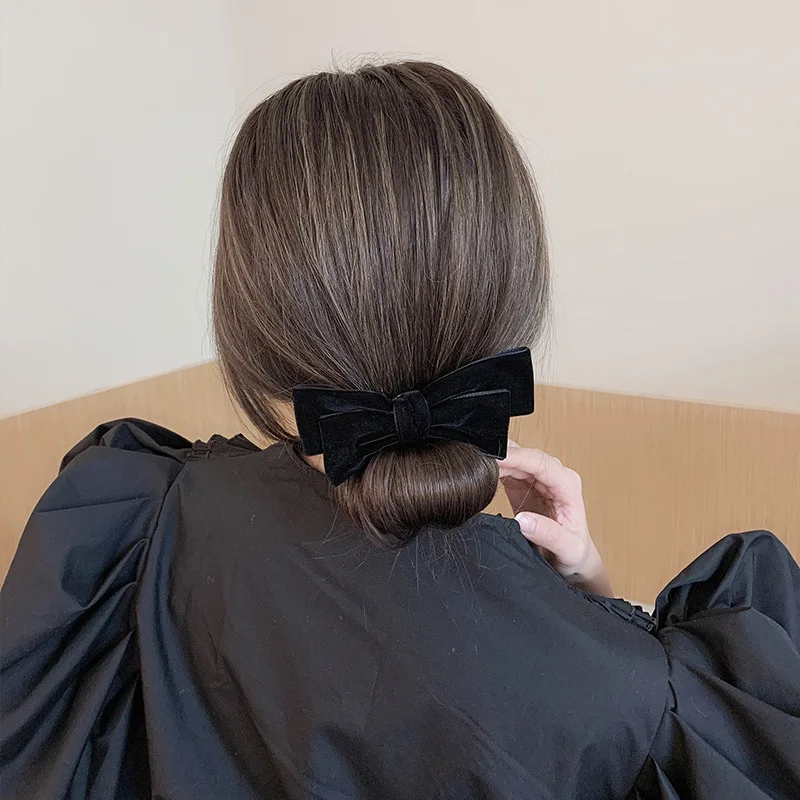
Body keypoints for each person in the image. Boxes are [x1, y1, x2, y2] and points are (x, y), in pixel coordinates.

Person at [1, 61, 798, 800]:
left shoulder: (134, 524)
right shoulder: (642, 702)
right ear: (514, 289)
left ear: (251, 318)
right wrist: (597, 606)